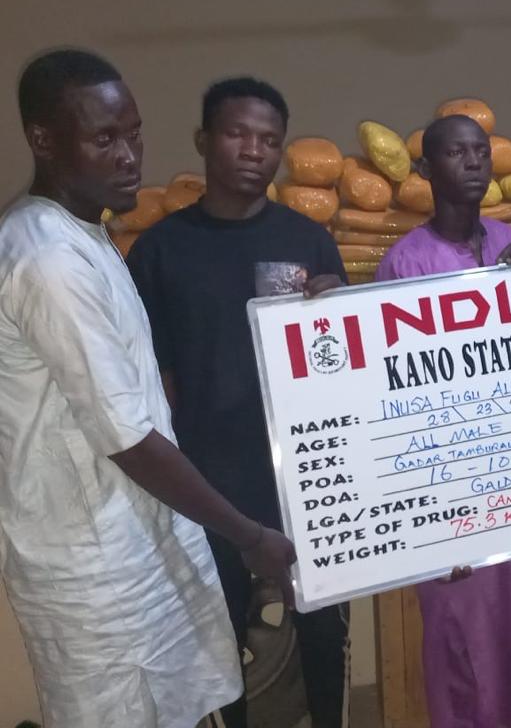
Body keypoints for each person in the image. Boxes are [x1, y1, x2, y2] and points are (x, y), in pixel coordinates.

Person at [0, 50, 296, 728]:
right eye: (104, 139)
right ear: (43, 139)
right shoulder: (46, 258)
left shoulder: (86, 235)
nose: (130, 156)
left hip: (134, 542)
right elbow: (128, 437)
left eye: (133, 133)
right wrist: (249, 536)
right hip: (90, 563)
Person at [128, 78, 349, 728]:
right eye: (237, 134)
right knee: (219, 641)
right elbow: (153, 379)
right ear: (203, 141)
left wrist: (339, 313)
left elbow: (342, 366)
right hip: (207, 484)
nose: (254, 150)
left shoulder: (309, 241)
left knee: (323, 633)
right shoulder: (160, 250)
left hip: (307, 476)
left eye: (270, 140)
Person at [375, 114, 511, 728]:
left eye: (481, 152)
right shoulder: (405, 263)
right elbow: (392, 395)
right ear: (425, 169)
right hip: (449, 492)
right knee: (462, 641)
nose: (472, 163)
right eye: (455, 153)